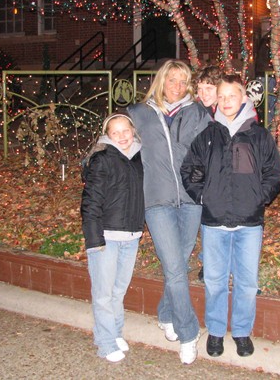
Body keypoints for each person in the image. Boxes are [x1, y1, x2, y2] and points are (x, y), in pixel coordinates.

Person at [181, 74, 280, 358]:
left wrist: (259, 198)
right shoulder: (208, 135)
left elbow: (275, 174)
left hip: (249, 223)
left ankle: (241, 332)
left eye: (232, 96)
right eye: (222, 96)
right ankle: (215, 331)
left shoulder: (258, 136)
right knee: (214, 281)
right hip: (214, 222)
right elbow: (190, 170)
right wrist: (203, 197)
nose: (226, 101)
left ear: (244, 98)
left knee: (246, 282)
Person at [128, 59, 212, 364]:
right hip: (157, 200)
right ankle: (189, 333)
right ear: (161, 80)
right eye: (172, 79)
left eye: (182, 81)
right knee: (176, 269)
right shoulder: (139, 113)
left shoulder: (198, 113)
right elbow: (117, 141)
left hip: (191, 201)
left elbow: (212, 152)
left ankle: (165, 313)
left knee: (177, 264)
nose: (177, 86)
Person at [81, 112, 145, 363]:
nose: (122, 136)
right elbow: (91, 202)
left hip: (131, 235)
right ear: (107, 136)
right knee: (104, 293)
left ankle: (115, 333)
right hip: (106, 236)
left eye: (125, 130)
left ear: (133, 131)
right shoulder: (102, 159)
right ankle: (105, 343)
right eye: (115, 132)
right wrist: (94, 239)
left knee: (118, 290)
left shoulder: (139, 157)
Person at [193, 64, 224, 282]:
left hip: (225, 174)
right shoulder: (197, 112)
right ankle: (208, 261)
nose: (204, 94)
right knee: (207, 218)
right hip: (205, 174)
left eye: (209, 88)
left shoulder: (226, 109)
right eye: (200, 89)